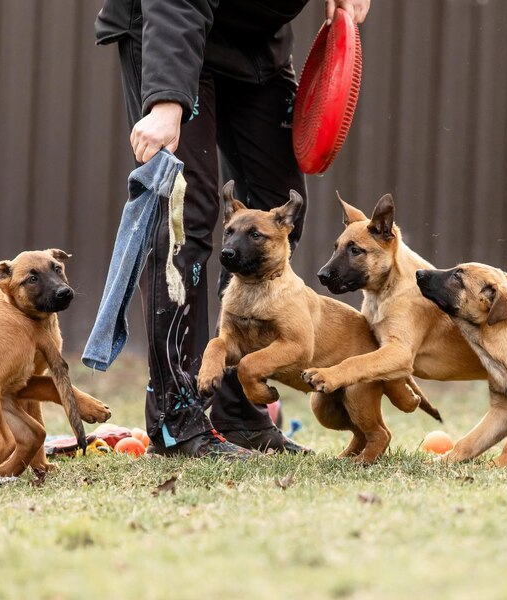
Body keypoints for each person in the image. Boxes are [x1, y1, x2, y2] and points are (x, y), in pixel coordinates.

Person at [95, 0, 372, 458]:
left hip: (255, 49)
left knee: (275, 212)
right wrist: (166, 99)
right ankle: (177, 420)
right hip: (174, 35)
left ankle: (240, 415)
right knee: (187, 214)